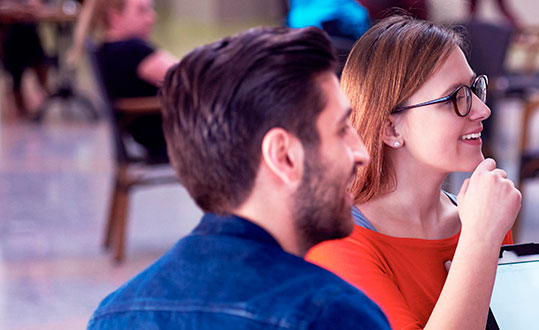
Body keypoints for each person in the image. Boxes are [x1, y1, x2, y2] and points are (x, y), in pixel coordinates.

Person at [304, 16, 539, 330]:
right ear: (390, 127)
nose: (482, 110)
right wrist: (479, 239)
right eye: (455, 98)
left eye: (475, 89)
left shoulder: (479, 216)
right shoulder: (338, 243)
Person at [87, 26, 389, 329]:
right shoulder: (332, 314)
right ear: (283, 155)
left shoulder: (113, 314)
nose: (361, 153)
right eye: (341, 130)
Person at [93, 0, 176, 161]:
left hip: (152, 139)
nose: (151, 18)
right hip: (175, 141)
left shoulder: (105, 51)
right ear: (115, 17)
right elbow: (192, 76)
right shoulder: (131, 50)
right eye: (142, 11)